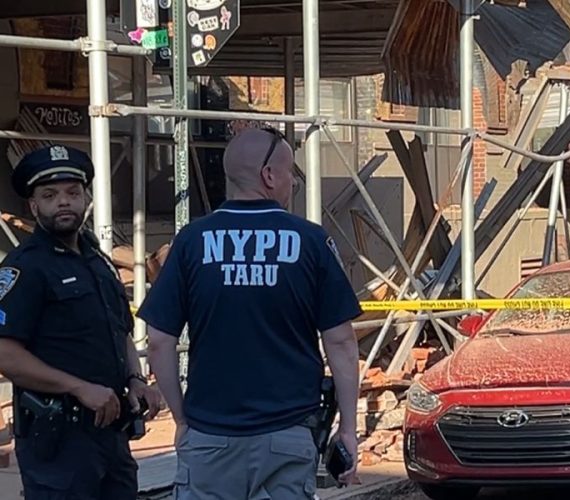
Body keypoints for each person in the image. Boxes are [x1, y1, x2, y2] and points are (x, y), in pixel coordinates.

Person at [140, 126, 362, 500]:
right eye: (291, 172)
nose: (293, 182)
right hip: (287, 437)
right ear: (269, 176)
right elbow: (340, 342)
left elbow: (160, 342)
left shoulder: (191, 241)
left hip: (210, 438)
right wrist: (349, 430)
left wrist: (182, 421)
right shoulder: (311, 241)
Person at [0, 144, 162, 500]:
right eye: (50, 195)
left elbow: (118, 332)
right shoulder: (26, 266)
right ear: (33, 206)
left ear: (86, 198)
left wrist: (136, 379)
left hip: (110, 434)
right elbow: (6, 354)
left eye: (73, 193)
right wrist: (78, 387)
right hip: (58, 441)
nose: (63, 202)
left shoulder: (98, 262)